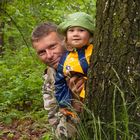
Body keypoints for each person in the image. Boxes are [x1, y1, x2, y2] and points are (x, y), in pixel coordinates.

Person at [31, 22, 85, 139]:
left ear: (66, 42)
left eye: (52, 47)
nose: (49, 55)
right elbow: (60, 135)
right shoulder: (50, 81)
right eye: (42, 52)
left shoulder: (89, 58)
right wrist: (73, 104)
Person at [55, 12, 94, 114]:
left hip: (93, 96)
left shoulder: (94, 51)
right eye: (71, 30)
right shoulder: (65, 58)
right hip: (74, 100)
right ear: (66, 36)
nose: (76, 34)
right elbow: (60, 82)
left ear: (90, 34)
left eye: (81, 30)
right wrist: (64, 104)